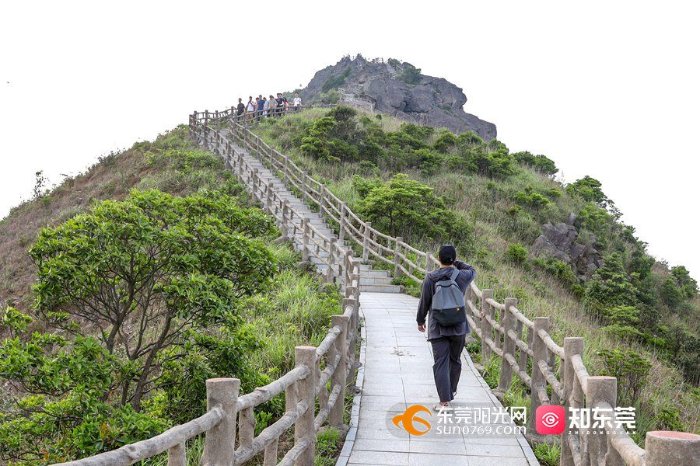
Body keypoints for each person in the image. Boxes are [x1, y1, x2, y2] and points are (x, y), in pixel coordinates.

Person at [416, 245, 476, 410]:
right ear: (453, 259)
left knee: (441, 362)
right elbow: (472, 270)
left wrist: (420, 320)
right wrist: (457, 263)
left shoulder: (431, 278)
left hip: (438, 326)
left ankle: (444, 401)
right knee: (455, 360)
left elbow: (425, 301)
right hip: (458, 326)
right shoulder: (462, 275)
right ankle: (451, 390)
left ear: (439, 259)